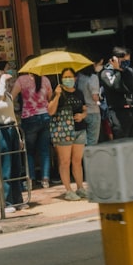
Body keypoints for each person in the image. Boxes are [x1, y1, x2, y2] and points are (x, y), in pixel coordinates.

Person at [11, 57, 53, 188]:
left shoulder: (21, 80)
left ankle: (31, 180)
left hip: (29, 118)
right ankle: (45, 179)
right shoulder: (45, 79)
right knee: (45, 150)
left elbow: (11, 97)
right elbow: (50, 98)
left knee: (29, 151)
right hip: (45, 116)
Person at [0, 68, 24, 212]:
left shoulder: (8, 95)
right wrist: (1, 81)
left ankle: (18, 200)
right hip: (0, 131)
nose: (7, 84)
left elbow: (13, 116)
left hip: (11, 129)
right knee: (5, 167)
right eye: (3, 81)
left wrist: (19, 136)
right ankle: (7, 202)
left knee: (16, 167)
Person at [48, 67, 89, 201]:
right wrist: (57, 95)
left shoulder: (79, 93)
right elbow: (50, 111)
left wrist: (82, 115)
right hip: (64, 131)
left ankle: (80, 187)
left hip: (79, 129)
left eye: (70, 77)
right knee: (65, 161)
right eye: (65, 77)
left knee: (77, 161)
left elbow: (84, 108)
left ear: (75, 78)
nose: (68, 79)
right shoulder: (58, 93)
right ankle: (68, 190)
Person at [100, 46, 133, 139]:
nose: (126, 63)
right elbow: (116, 86)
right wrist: (118, 70)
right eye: (124, 60)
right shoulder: (106, 73)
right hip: (118, 112)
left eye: (128, 60)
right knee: (122, 142)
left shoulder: (130, 71)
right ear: (115, 59)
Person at [77, 58, 104, 146]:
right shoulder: (93, 77)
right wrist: (100, 98)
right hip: (93, 111)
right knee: (92, 141)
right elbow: (95, 97)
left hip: (82, 112)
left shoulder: (78, 77)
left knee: (82, 141)